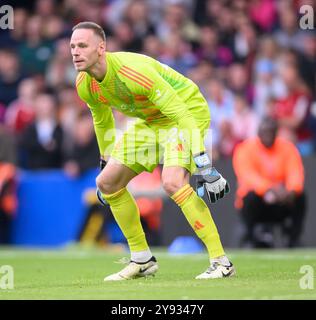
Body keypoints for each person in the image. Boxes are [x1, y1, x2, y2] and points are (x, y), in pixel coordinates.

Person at [70, 21, 235, 281]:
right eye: (72, 46)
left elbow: (180, 112)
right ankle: (142, 260)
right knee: (107, 182)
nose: (75, 52)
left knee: (172, 182)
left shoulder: (131, 71)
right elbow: (102, 121)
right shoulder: (84, 84)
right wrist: (105, 160)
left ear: (101, 48)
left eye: (82, 45)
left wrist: (204, 164)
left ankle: (221, 262)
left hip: (186, 111)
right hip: (151, 120)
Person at [233, 118, 306, 248]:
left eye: (271, 132)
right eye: (264, 132)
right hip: (257, 203)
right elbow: (248, 176)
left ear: (276, 133)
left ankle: (293, 239)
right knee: (249, 196)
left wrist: (291, 191)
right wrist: (270, 188)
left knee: (300, 196)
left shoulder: (288, 148)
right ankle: (250, 238)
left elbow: (295, 172)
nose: (268, 136)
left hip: (281, 201)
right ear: (258, 133)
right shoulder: (244, 149)